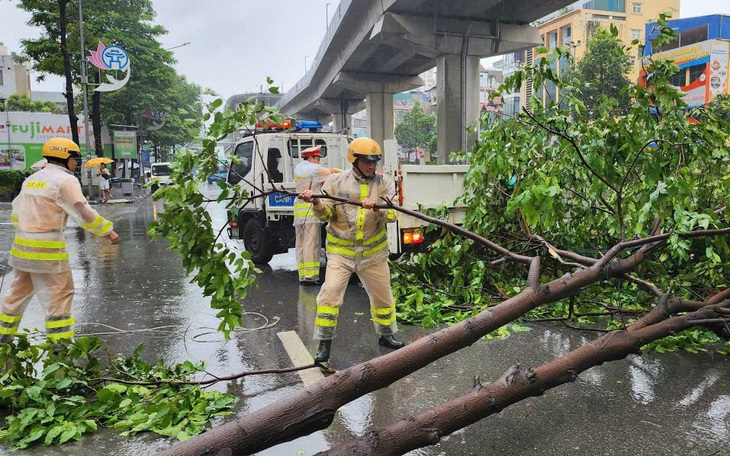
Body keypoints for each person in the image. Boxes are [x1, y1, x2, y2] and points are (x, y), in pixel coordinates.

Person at [0, 138, 121, 346]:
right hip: (48, 254)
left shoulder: (33, 179)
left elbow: (16, 212)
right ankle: (60, 350)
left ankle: (3, 340)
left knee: (14, 297)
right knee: (60, 298)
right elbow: (82, 210)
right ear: (65, 158)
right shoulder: (65, 181)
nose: (76, 163)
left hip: (22, 252)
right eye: (74, 159)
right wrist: (107, 231)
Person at [300, 137, 406, 363]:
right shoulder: (335, 182)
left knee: (383, 298)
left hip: (374, 254)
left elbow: (393, 214)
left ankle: (386, 335)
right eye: (367, 161)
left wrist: (377, 208)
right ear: (354, 160)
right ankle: (324, 345)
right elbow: (326, 214)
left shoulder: (384, 183)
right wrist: (317, 203)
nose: (371, 166)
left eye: (374, 161)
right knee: (329, 297)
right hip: (341, 254)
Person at [293, 145, 333, 285]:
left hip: (299, 211)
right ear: (311, 158)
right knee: (311, 244)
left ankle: (302, 274)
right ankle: (311, 276)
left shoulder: (298, 168)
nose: (318, 162)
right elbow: (332, 173)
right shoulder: (314, 169)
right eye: (317, 158)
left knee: (301, 244)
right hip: (310, 211)